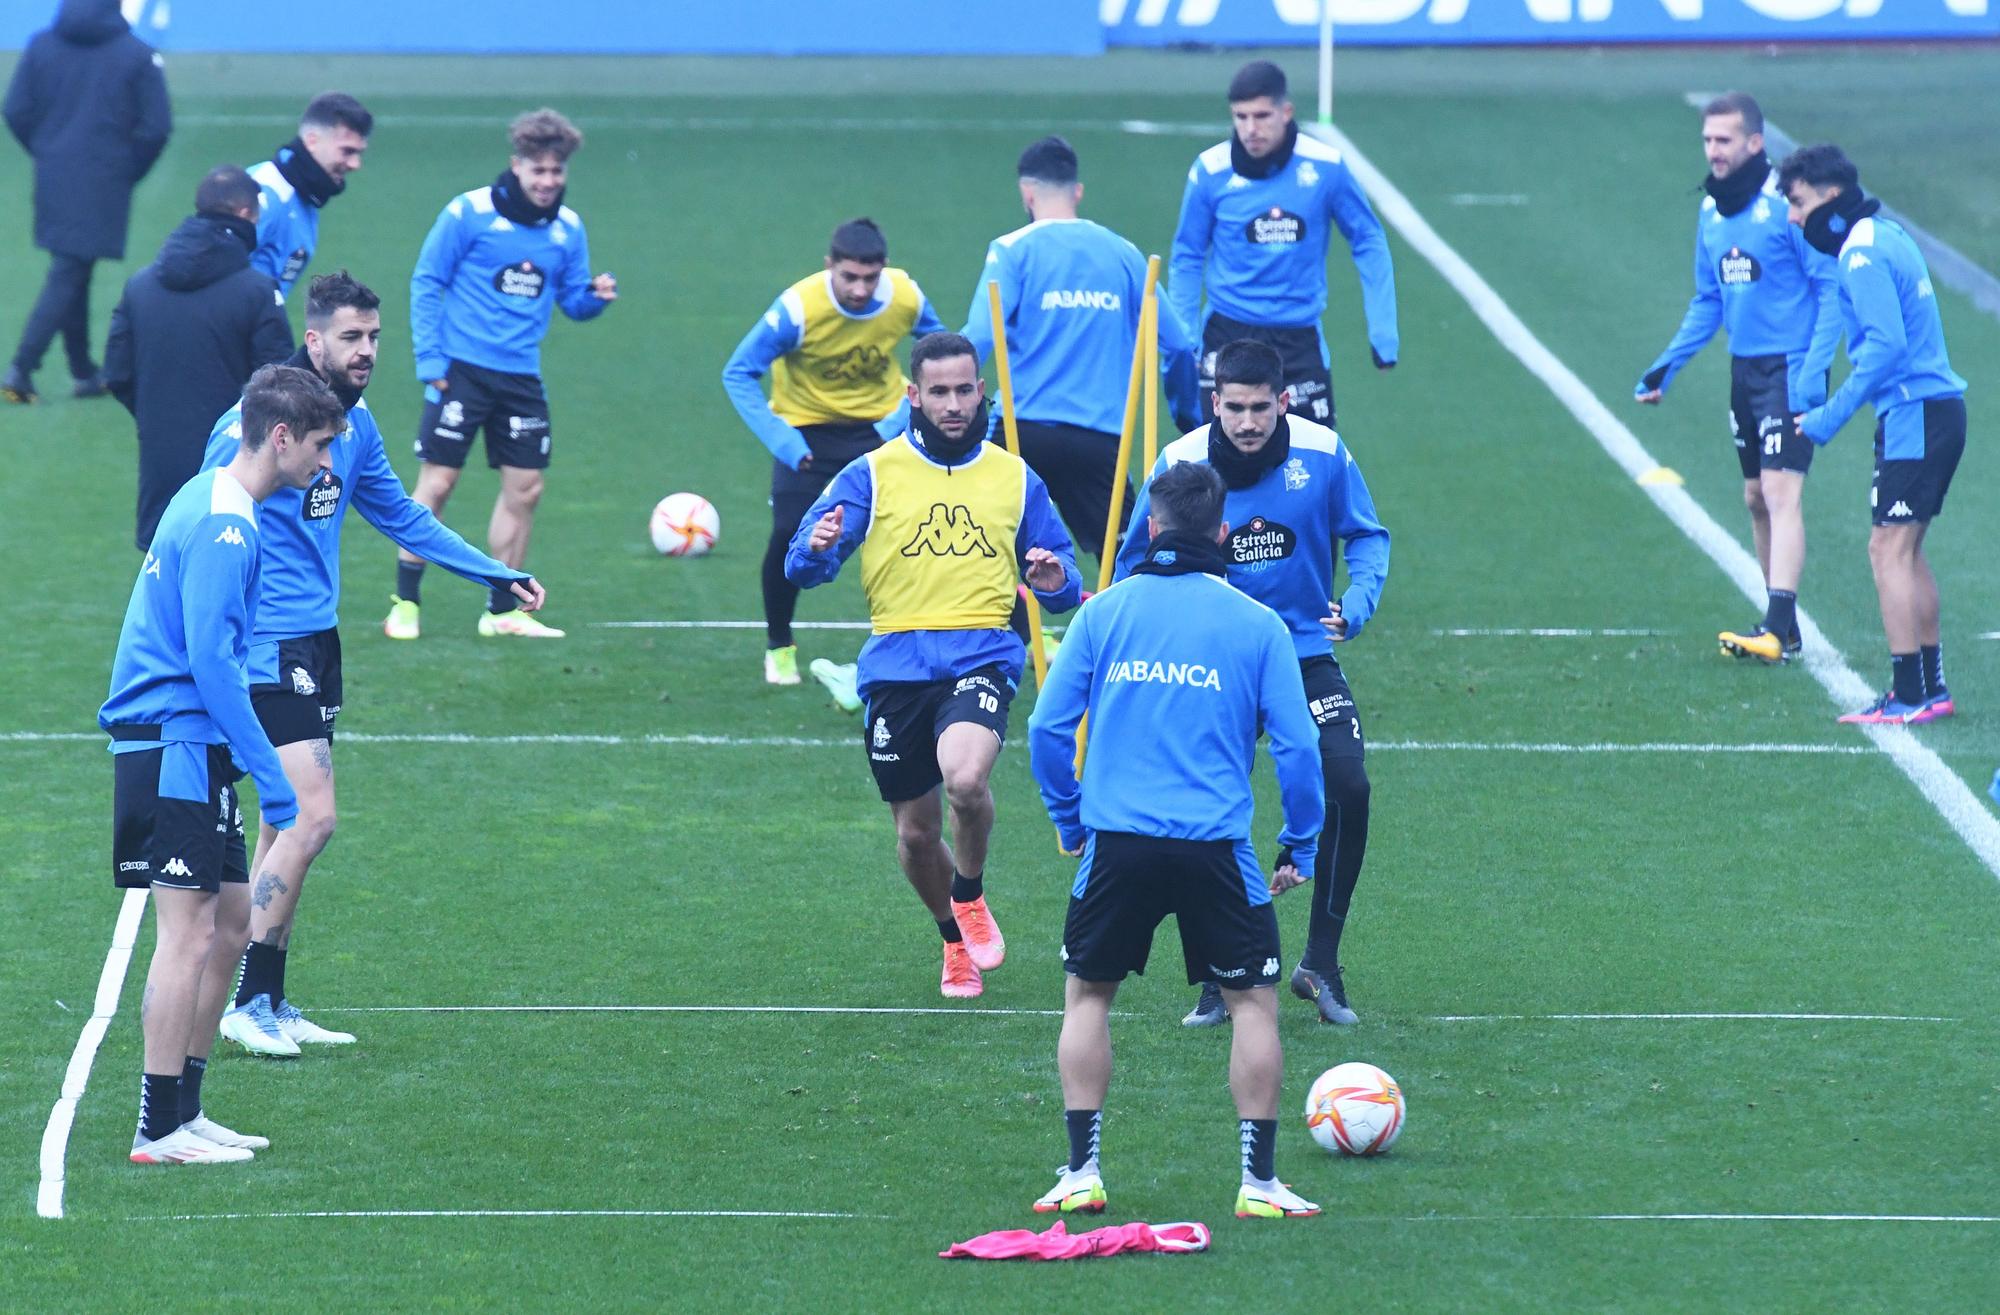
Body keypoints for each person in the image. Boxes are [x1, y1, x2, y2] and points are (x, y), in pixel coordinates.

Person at [201, 273, 546, 1057]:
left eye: (375, 337)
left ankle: (267, 997)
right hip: (267, 647)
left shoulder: (351, 427)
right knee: (313, 817)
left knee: (280, 824)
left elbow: (399, 514)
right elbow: (204, 519)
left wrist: (490, 574)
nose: (367, 351)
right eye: (352, 337)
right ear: (314, 339)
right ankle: (241, 1000)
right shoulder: (250, 429)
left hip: (317, 643)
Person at [1028, 459, 1326, 1219]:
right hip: (1217, 848)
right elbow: (1296, 747)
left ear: (1151, 527)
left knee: (1088, 996)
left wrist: (1071, 819)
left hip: (1117, 842)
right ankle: (1258, 1183)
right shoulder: (1258, 625)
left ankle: (1081, 1172)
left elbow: (1045, 729)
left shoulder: (1103, 613)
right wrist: (1300, 840)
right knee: (1254, 1002)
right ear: (1222, 532)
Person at [786, 333, 1081, 999]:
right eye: (939, 392)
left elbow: (1063, 585)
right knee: (917, 836)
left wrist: (1055, 575)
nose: (953, 404)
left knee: (966, 779)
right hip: (895, 669)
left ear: (983, 392)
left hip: (983, 654)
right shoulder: (873, 471)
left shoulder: (1015, 476)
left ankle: (970, 892)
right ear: (913, 397)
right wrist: (818, 545)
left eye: (964, 389)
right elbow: (803, 564)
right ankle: (953, 936)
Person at [100, 363, 345, 1163]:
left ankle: (188, 1107)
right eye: (318, 446)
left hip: (196, 746)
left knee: (234, 923)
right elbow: (210, 659)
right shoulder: (226, 525)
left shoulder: (220, 498)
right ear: (280, 436)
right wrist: (272, 776)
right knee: (188, 933)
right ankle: (157, 1126)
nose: (324, 466)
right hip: (173, 744)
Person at [1114, 339, 1388, 1028]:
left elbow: (1368, 534)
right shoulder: (1179, 462)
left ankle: (1320, 962)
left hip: (1298, 650)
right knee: (1201, 800)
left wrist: (1356, 603)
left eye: (1259, 408)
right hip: (1209, 655)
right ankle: (1216, 971)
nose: (1245, 421)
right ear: (1215, 403)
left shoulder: (1324, 454)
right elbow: (1130, 561)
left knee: (1348, 782)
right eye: (1233, 407)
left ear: (1283, 402)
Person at [388, 107, 613, 641]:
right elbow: (426, 281)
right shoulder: (469, 213)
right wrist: (430, 361)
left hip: (520, 378)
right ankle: (405, 600)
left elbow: (573, 302)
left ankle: (501, 610)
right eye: (539, 171)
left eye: (557, 172)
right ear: (517, 166)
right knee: (437, 485)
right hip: (461, 372)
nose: (548, 181)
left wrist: (596, 299)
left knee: (526, 490)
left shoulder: (568, 229)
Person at [1635, 93, 1840, 665]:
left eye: (1724, 140)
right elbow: (1709, 300)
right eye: (1707, 140)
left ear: (1756, 142)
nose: (1713, 151)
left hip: (1790, 369)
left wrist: (1813, 372)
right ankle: (1787, 628)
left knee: (1780, 491)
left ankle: (1774, 628)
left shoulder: (1787, 207)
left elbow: (1829, 288)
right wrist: (1667, 364)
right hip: (1745, 371)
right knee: (1754, 497)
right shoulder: (1710, 211)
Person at [1782, 145, 1967, 725]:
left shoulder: (1860, 252)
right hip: (1935, 411)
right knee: (1906, 549)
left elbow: (1886, 348)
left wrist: (1828, 418)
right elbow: (1847, 320)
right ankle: (1929, 689)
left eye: (1798, 202)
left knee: (1886, 547)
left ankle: (1909, 695)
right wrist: (1812, 386)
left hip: (1914, 414)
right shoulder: (1883, 235)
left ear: (1829, 200)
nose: (1793, 216)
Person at [724, 217, 947, 700]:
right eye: (850, 277)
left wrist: (896, 422)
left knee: (927, 530)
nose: (861, 289)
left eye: (871, 277)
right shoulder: (798, 308)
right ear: (829, 267)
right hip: (806, 439)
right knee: (789, 534)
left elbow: (940, 353)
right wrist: (783, 441)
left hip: (879, 433)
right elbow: (738, 372)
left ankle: (995, 634)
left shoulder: (905, 296)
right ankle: (779, 644)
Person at [961, 136, 1200, 579]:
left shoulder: (1012, 249)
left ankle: (1013, 637)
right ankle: (1129, 642)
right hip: (1102, 441)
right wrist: (1187, 412)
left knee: (981, 544)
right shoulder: (1126, 254)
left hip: (1022, 433)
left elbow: (977, 339)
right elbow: (1180, 346)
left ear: (1026, 193)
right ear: (1078, 192)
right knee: (1133, 561)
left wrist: (934, 408)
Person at [1169, 60, 1396, 431]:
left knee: (1313, 461)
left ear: (1286, 112)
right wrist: (1185, 338)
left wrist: (1383, 333)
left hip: (1298, 340)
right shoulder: (1209, 171)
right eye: (1240, 117)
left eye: (1261, 115)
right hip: (1227, 335)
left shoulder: (1326, 168)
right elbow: (1187, 255)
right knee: (1213, 471)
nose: (1250, 129)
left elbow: (1368, 239)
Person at [106, 165, 295, 551]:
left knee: (164, 589)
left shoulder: (139, 287)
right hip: (237, 473)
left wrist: (158, 416)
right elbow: (282, 385)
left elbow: (116, 373)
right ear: (245, 215)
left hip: (161, 472)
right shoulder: (257, 291)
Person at [2, 0, 170, 404]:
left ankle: (83, 371)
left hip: (54, 173)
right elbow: (156, 127)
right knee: (70, 269)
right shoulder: (137, 53)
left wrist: (46, 150)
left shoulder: (42, 44)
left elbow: (15, 109)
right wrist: (127, 169)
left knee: (75, 265)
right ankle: (21, 369)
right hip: (105, 176)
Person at [248, 92, 373, 303]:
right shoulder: (263, 196)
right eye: (347, 151)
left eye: (358, 153)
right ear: (312, 141)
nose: (355, 164)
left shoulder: (304, 198)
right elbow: (205, 269)